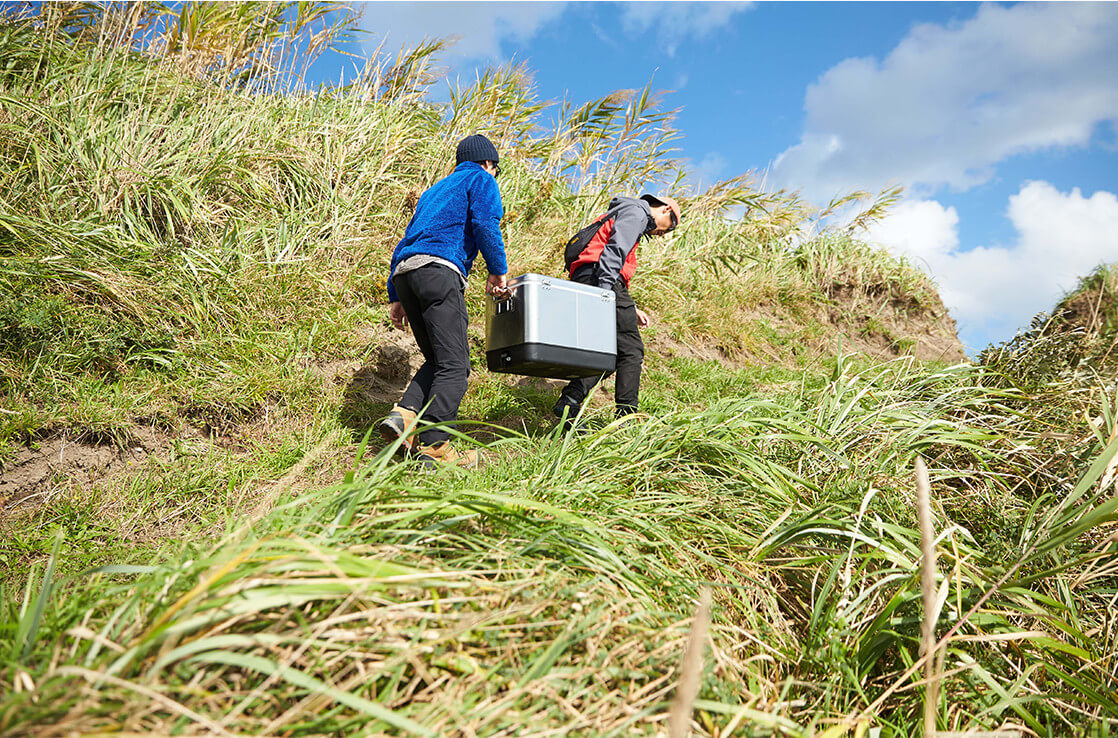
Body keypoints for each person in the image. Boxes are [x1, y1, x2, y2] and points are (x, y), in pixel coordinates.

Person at [380, 134, 510, 466]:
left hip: (407, 274)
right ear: (487, 163)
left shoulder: (434, 191)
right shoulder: (480, 178)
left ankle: (403, 416)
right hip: (439, 272)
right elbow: (485, 223)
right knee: (456, 365)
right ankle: (436, 446)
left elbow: (406, 240)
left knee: (438, 360)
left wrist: (396, 297)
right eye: (494, 168)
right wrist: (498, 271)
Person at [553, 193, 681, 427]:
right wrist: (604, 295)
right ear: (664, 209)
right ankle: (626, 420)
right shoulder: (637, 212)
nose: (663, 234)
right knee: (631, 351)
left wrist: (630, 307)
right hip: (601, 279)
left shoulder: (625, 212)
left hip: (592, 278)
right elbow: (614, 252)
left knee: (610, 353)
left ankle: (570, 400)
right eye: (669, 228)